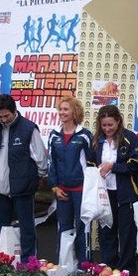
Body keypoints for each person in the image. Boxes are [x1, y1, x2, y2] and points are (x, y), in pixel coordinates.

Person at [0, 94, 47, 263]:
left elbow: (41, 158)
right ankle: (0, 260)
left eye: (7, 116)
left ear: (14, 111)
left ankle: (29, 263)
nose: (4, 119)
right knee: (0, 227)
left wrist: (35, 178)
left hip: (22, 187)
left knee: (26, 227)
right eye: (0, 116)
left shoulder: (28, 128)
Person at [90, 105, 138, 275]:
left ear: (118, 121)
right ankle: (108, 267)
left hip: (125, 193)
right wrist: (97, 170)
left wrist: (112, 167)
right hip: (104, 193)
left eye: (110, 125)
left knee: (126, 233)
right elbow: (91, 163)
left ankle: (126, 270)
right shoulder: (97, 140)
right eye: (104, 125)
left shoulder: (130, 138)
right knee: (106, 230)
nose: (107, 129)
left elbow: (134, 165)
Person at [48, 96, 92, 265]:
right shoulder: (54, 135)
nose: (62, 112)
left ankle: (84, 266)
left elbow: (91, 164)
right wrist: (54, 187)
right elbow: (51, 163)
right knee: (64, 228)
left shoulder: (84, 136)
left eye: (66, 109)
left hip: (81, 190)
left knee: (83, 228)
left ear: (75, 112)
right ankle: (64, 265)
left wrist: (88, 188)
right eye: (60, 109)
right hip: (61, 190)